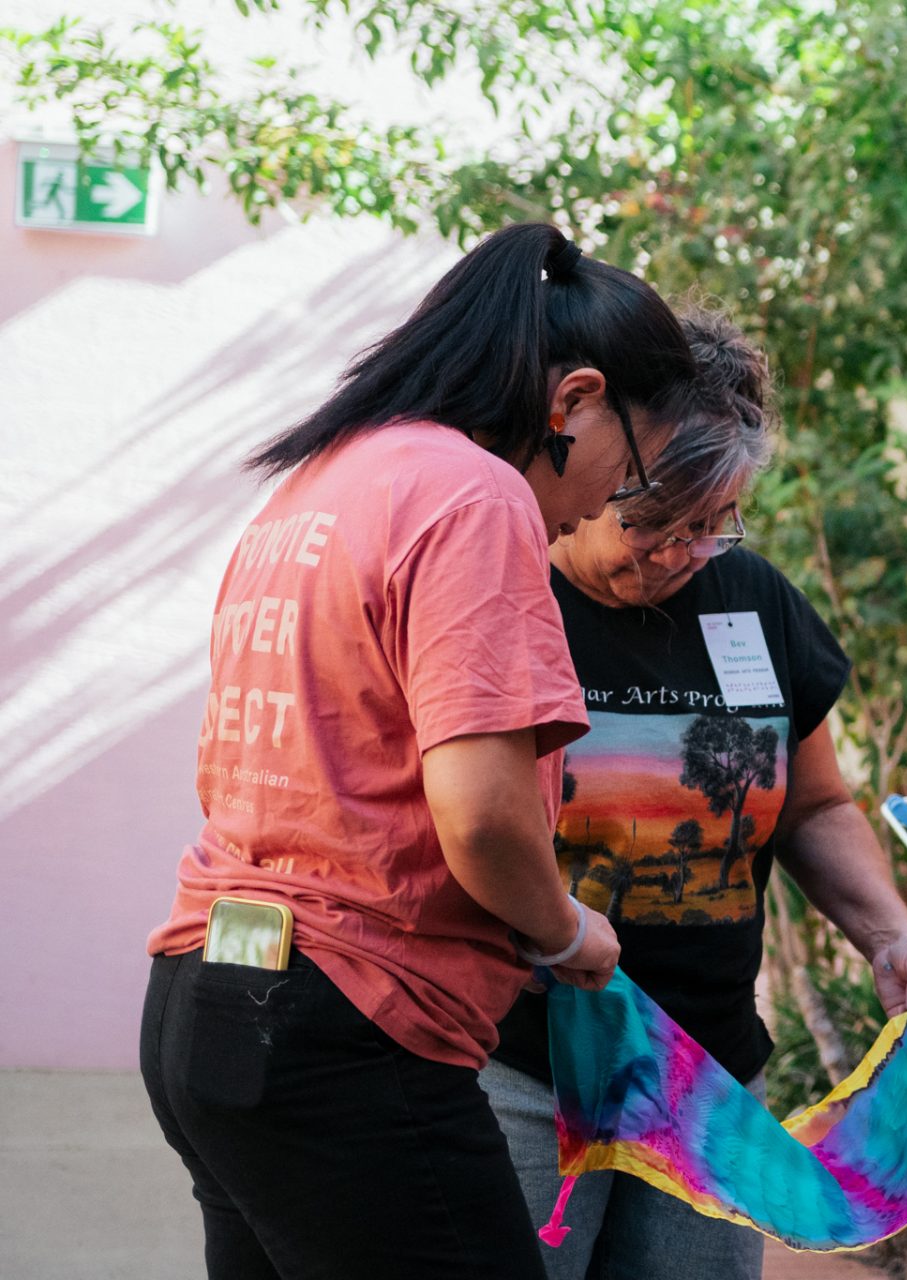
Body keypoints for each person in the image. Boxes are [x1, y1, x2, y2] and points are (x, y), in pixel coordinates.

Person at [141, 223, 705, 1280]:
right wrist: (564, 929)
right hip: (345, 1025)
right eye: (632, 468)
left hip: (206, 996)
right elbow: (485, 815)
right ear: (575, 400)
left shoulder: (328, 477)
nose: (606, 503)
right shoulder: (475, 493)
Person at [481, 310, 907, 1280]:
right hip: (520, 1060)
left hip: (709, 1066)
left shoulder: (754, 598)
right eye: (656, 523)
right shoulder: (502, 594)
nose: (680, 553)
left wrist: (890, 934)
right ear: (598, 480)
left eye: (712, 524)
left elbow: (817, 805)